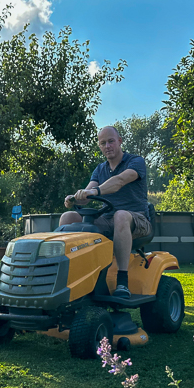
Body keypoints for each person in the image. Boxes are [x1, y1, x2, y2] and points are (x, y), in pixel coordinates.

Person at [59, 125, 152, 299]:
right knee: (68, 217)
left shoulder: (136, 161)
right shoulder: (100, 169)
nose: (107, 146)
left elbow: (120, 180)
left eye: (111, 141)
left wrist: (95, 191)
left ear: (120, 141)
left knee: (121, 215)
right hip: (108, 219)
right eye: (103, 143)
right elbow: (87, 195)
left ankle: (122, 282)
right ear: (99, 146)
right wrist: (74, 198)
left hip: (138, 220)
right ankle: (72, 275)